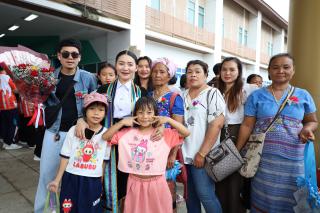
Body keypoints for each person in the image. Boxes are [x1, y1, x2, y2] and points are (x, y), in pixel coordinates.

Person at [236, 53, 318, 212]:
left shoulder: (303, 95)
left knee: (291, 197)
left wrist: (307, 129)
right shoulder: (257, 95)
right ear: (269, 71)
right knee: (263, 196)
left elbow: (312, 121)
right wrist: (238, 150)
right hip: (263, 159)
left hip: (293, 160)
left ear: (293, 70)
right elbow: (247, 125)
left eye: (286, 67)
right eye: (275, 67)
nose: (281, 70)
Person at [77, 50, 155, 212]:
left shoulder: (142, 92)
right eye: (121, 63)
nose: (125, 68)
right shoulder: (104, 89)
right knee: (107, 175)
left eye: (129, 64)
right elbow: (91, 111)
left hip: (133, 139)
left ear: (135, 68)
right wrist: (81, 120)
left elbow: (151, 115)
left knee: (129, 177)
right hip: (108, 136)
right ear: (116, 66)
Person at [34, 39, 97, 213]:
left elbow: (95, 105)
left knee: (76, 176)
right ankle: (45, 210)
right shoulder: (48, 78)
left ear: (79, 57)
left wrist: (83, 119)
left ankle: (68, 209)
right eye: (66, 54)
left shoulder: (88, 78)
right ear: (59, 56)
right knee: (48, 176)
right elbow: (41, 102)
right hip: (54, 133)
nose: (70, 57)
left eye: (74, 54)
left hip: (79, 136)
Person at [102, 97, 190, 213]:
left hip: (157, 184)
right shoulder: (127, 133)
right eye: (140, 112)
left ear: (156, 114)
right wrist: (122, 122)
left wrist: (168, 120)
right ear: (135, 114)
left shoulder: (163, 134)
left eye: (149, 112)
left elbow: (186, 132)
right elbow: (105, 137)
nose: (145, 116)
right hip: (134, 183)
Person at [48, 92, 110, 213]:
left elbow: (104, 161)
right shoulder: (74, 130)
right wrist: (57, 180)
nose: (96, 113)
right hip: (71, 178)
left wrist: (100, 182)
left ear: (105, 113)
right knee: (68, 209)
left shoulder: (106, 134)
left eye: (101, 110)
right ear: (85, 111)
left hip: (92, 181)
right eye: (92, 109)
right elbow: (65, 157)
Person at [182, 60, 225, 213]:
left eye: (197, 71)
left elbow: (217, 124)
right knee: (189, 196)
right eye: (189, 71)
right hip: (184, 155)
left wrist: (202, 153)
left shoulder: (212, 93)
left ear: (206, 75)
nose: (193, 74)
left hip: (203, 156)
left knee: (206, 195)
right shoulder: (182, 95)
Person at [216, 57, 257, 213]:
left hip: (237, 133)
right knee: (218, 176)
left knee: (234, 179)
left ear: (239, 72)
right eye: (224, 69)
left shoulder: (249, 89)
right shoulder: (215, 89)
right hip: (218, 133)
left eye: (232, 69)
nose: (227, 73)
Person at [150, 57, 185, 211]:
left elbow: (178, 128)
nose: (157, 74)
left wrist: (173, 154)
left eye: (162, 72)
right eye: (155, 71)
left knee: (167, 189)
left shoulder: (174, 98)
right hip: (149, 149)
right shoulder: (148, 96)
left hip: (167, 150)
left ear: (169, 75)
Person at [0, 66, 21, 150]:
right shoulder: (6, 77)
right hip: (11, 104)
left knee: (5, 124)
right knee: (14, 124)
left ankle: (5, 142)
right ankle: (10, 143)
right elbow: (15, 90)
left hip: (2, 106)